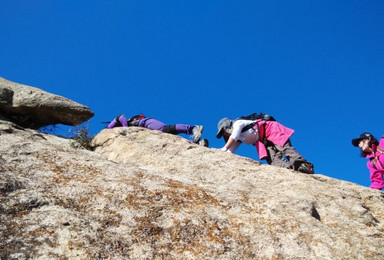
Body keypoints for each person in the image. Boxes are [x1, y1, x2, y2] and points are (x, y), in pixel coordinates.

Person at [216, 117, 314, 174]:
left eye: (224, 131)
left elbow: (234, 136)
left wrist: (223, 148)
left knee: (284, 147)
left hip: (271, 129)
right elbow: (230, 151)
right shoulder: (239, 138)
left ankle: (303, 165)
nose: (225, 134)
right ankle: (291, 171)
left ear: (227, 126)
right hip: (264, 140)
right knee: (272, 159)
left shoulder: (237, 123)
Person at [107, 114, 204, 143]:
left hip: (146, 123)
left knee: (164, 129)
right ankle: (196, 144)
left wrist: (125, 128)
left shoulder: (110, 128)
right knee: (169, 139)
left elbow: (120, 117)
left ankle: (193, 128)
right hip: (146, 128)